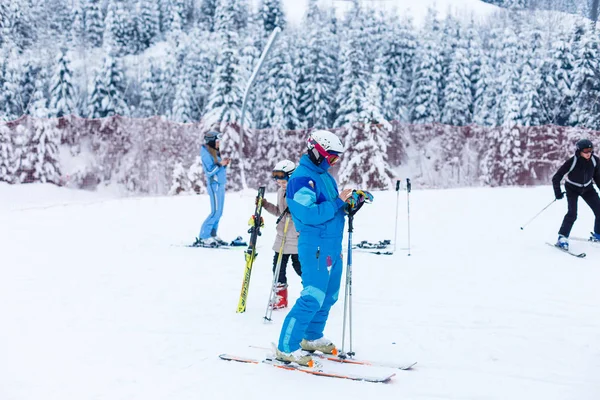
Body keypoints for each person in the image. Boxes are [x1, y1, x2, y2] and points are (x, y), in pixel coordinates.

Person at [274, 130, 354, 367]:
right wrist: (338, 202)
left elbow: (330, 207)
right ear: (317, 151)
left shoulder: (324, 176)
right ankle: (286, 347)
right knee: (313, 295)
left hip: (331, 244)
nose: (333, 162)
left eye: (336, 159)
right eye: (331, 157)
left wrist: (348, 204)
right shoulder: (301, 178)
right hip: (315, 244)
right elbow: (308, 214)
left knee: (329, 295)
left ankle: (311, 336)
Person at [262, 160, 302, 309]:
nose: (281, 183)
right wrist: (265, 205)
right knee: (278, 267)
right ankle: (280, 297)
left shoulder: (299, 192)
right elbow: (280, 212)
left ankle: (314, 290)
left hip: (295, 236)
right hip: (282, 237)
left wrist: (296, 211)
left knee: (299, 266)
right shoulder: (280, 191)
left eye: (284, 180)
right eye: (278, 180)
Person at [552, 138, 600, 250]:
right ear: (579, 151)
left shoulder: (595, 161)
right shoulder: (572, 161)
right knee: (572, 214)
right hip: (572, 189)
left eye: (590, 151)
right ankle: (562, 237)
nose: (588, 154)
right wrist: (557, 193)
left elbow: (597, 177)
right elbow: (556, 177)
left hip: (588, 189)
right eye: (585, 151)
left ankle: (598, 234)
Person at [194, 131, 231, 247]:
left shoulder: (213, 152)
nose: (219, 143)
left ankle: (212, 234)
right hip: (214, 185)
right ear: (211, 141)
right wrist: (221, 164)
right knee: (215, 212)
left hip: (220, 184)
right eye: (217, 141)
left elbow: (217, 167)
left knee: (219, 212)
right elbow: (209, 171)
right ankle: (204, 236)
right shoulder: (206, 153)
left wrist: (223, 164)